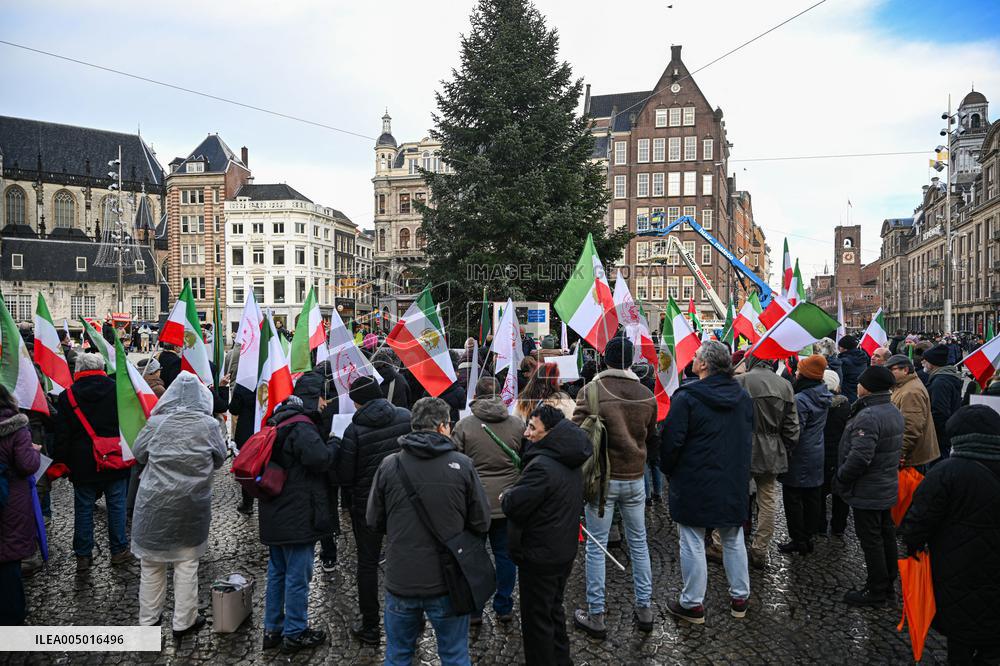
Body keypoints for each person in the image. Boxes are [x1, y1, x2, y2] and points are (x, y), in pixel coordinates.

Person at [367, 397, 491, 666]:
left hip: (401, 579)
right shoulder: (462, 465)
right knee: (455, 655)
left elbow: (373, 520)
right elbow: (482, 522)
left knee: (398, 655)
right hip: (447, 580)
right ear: (443, 427)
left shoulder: (390, 465)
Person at [660, 341, 752, 624]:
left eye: (697, 356)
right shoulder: (743, 397)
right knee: (733, 537)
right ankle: (740, 596)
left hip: (694, 478)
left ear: (704, 365)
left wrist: (668, 469)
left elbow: (671, 441)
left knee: (692, 539)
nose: (694, 357)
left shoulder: (686, 397)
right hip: (732, 478)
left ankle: (692, 603)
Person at [572, 336, 658, 637]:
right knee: (639, 543)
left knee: (596, 548)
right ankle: (645, 608)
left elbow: (576, 436)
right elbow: (649, 435)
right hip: (635, 478)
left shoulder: (591, 391)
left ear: (605, 359)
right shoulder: (647, 395)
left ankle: (596, 614)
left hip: (601, 481)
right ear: (632, 361)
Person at [900, 405, 1000, 663]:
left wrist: (913, 546)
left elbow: (918, 520)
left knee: (962, 634)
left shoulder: (946, 472)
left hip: (957, 567)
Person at [131, 372, 226, 637]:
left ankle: (148, 624)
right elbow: (220, 458)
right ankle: (184, 622)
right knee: (186, 564)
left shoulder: (156, 423)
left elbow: (139, 454)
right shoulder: (209, 425)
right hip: (191, 504)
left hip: (154, 504)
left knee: (151, 565)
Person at [502, 405, 590, 666]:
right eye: (528, 425)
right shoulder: (568, 457)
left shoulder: (542, 466)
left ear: (550, 433)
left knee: (537, 619)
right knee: (553, 609)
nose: (527, 432)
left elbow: (515, 504)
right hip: (561, 548)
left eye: (533, 428)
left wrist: (507, 497)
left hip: (540, 553)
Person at [259, 379, 337, 654]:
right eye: (322, 398)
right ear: (313, 398)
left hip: (273, 511)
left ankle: (272, 629)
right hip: (297, 514)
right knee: (297, 575)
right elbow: (320, 460)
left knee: (277, 572)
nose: (325, 404)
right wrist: (335, 444)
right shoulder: (302, 426)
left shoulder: (273, 423)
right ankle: (295, 631)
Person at [333, 375, 411, 646]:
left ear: (358, 402)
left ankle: (370, 626)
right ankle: (413, 617)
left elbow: (345, 476)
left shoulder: (353, 431)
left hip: (367, 506)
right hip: (403, 501)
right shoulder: (405, 416)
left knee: (366, 564)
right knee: (408, 556)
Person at [453, 377, 524, 626]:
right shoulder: (517, 424)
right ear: (499, 394)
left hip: (475, 502)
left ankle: (474, 608)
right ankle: (503, 605)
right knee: (505, 555)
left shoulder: (464, 426)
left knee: (473, 556)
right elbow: (524, 461)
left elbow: (454, 463)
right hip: (507, 501)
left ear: (477, 394)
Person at [52, 353, 133, 572]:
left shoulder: (67, 396)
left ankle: (83, 556)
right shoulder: (117, 390)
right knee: (116, 507)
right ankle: (119, 550)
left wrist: (60, 461)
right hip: (115, 458)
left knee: (83, 508)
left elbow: (62, 434)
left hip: (82, 462)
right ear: (102, 367)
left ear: (78, 370)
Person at [720, 355, 799, 570]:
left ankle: (720, 544)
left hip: (742, 446)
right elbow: (792, 427)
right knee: (768, 500)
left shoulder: (741, 381)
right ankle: (760, 549)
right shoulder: (785, 385)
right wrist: (786, 447)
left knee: (732, 494)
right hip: (772, 448)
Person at [834, 366, 904, 606]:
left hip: (869, 488)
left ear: (868, 386)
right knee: (885, 535)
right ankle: (887, 585)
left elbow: (860, 457)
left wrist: (842, 476)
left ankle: (877, 590)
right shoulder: (891, 409)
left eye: (861, 382)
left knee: (872, 539)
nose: (857, 385)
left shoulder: (870, 415)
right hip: (884, 485)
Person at [778, 355, 831, 556]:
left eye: (799, 371)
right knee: (812, 497)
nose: (796, 374)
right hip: (817, 451)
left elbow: (795, 431)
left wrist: (784, 449)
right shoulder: (822, 393)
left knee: (793, 498)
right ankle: (808, 536)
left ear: (806, 375)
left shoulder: (801, 399)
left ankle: (798, 539)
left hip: (800, 454)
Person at [0, 384, 41, 625]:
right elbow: (27, 464)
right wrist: (34, 451)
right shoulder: (16, 428)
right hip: (10, 501)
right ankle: (12, 617)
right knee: (8, 559)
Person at [885, 354, 939, 470]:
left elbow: (911, 427)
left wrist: (900, 453)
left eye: (891, 369)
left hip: (912, 459)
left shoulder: (911, 392)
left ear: (905, 370)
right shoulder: (903, 385)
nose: (888, 373)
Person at [818, 369, 851, 536]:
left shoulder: (817, 403)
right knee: (840, 494)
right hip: (841, 454)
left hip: (822, 453)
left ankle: (820, 526)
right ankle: (839, 527)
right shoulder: (846, 406)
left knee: (820, 493)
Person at [922, 344, 963, 460]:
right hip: (944, 434)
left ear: (933, 363)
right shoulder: (943, 378)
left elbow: (939, 411)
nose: (923, 363)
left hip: (939, 437)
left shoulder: (940, 383)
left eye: (926, 360)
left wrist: (933, 435)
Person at [837, 335, 869, 404]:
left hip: (846, 396)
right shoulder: (862, 358)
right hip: (859, 395)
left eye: (839, 347)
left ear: (844, 348)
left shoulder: (843, 362)